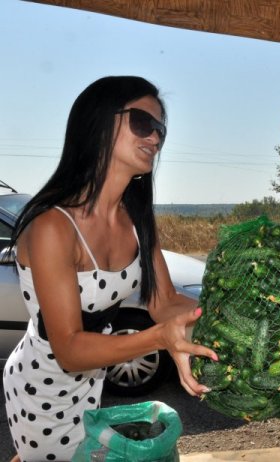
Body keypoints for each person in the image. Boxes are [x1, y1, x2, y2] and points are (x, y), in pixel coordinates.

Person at [3, 76, 217, 462]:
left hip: (91, 376)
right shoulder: (53, 226)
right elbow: (68, 349)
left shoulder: (137, 217)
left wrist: (229, 325)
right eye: (143, 123)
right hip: (42, 386)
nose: (155, 138)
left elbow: (164, 301)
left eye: (160, 130)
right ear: (98, 122)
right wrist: (160, 338)